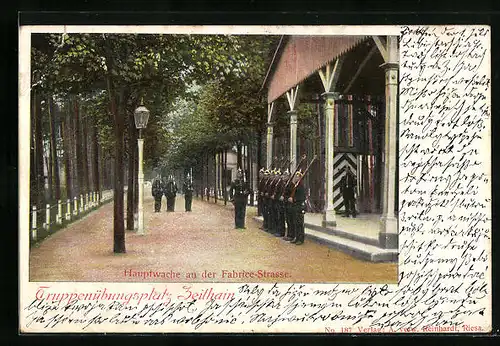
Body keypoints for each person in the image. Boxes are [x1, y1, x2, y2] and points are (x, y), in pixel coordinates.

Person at [288, 170, 306, 245]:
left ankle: (300, 239)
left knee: (299, 223)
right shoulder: (295, 185)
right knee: (295, 223)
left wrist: (294, 199)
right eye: (295, 176)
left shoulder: (301, 186)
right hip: (295, 206)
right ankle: (297, 237)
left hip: (299, 206)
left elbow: (302, 197)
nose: (296, 178)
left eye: (297, 177)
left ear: (300, 178)